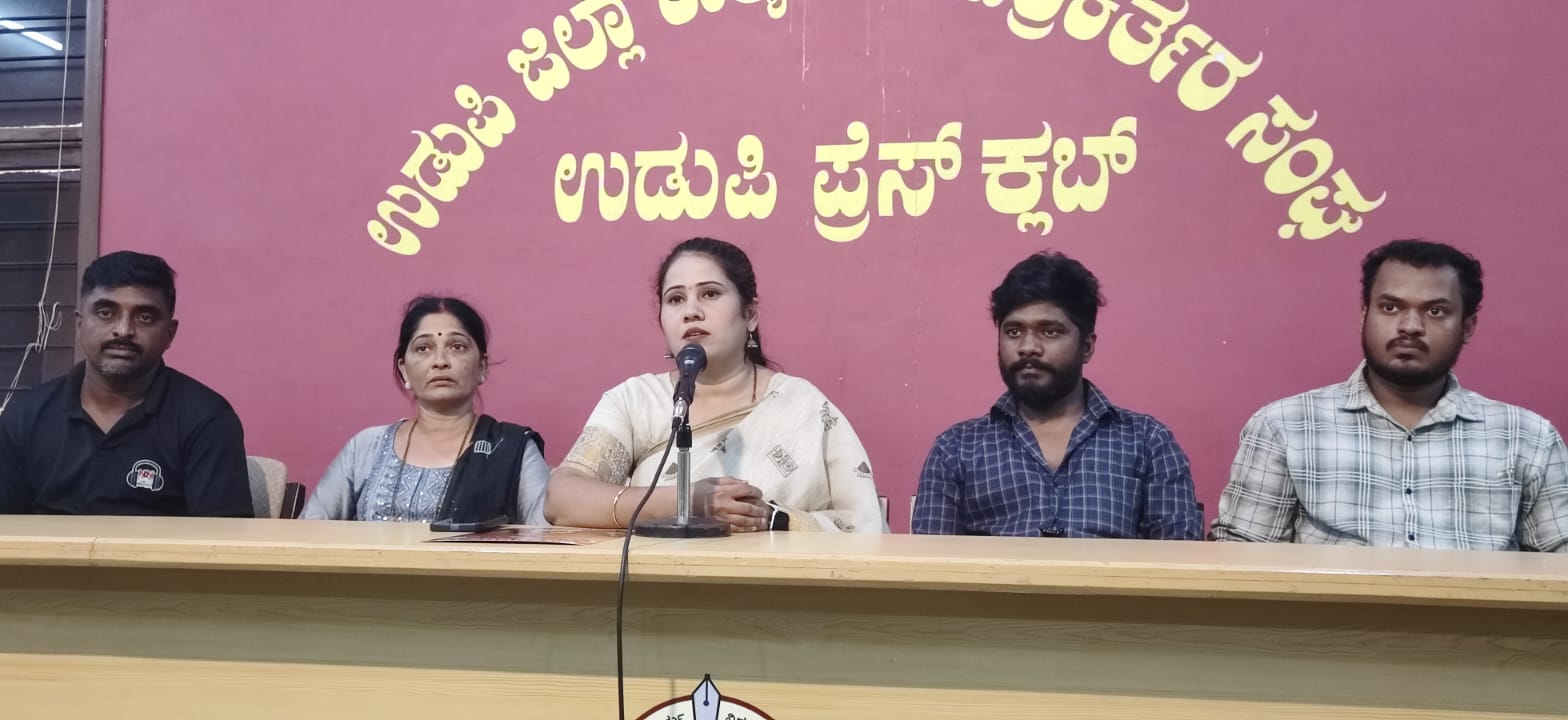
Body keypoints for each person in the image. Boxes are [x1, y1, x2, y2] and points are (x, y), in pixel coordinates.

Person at [1212, 239, 1568, 551]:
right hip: (1331, 611)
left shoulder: (1527, 437)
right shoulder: (1285, 427)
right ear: (1364, 315)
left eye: (1435, 311)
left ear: (1467, 327)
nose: (1410, 326)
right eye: (1390, 307)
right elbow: (1240, 562)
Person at [545, 237, 885, 533]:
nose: (691, 311)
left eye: (710, 294)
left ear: (750, 314)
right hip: (654, 585)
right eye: (675, 299)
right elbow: (561, 499)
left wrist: (773, 519)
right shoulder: (636, 401)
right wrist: (686, 502)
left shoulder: (803, 406)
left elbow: (862, 525)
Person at [912, 251, 1202, 538]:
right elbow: (928, 565)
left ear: (1086, 347)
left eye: (1049, 332)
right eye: (1013, 332)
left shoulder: (1148, 443)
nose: (1028, 347)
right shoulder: (956, 450)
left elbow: (1180, 562)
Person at [0, 251, 252, 516]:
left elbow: (223, 545)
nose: (124, 330)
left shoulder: (207, 419)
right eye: (106, 313)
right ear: (79, 325)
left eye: (144, 317)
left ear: (170, 333)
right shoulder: (27, 414)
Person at [302, 296, 549, 525]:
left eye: (457, 346)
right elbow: (309, 533)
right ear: (404, 370)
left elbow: (547, 536)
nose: (440, 361)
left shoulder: (510, 449)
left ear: (482, 367)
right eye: (423, 348)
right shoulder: (366, 448)